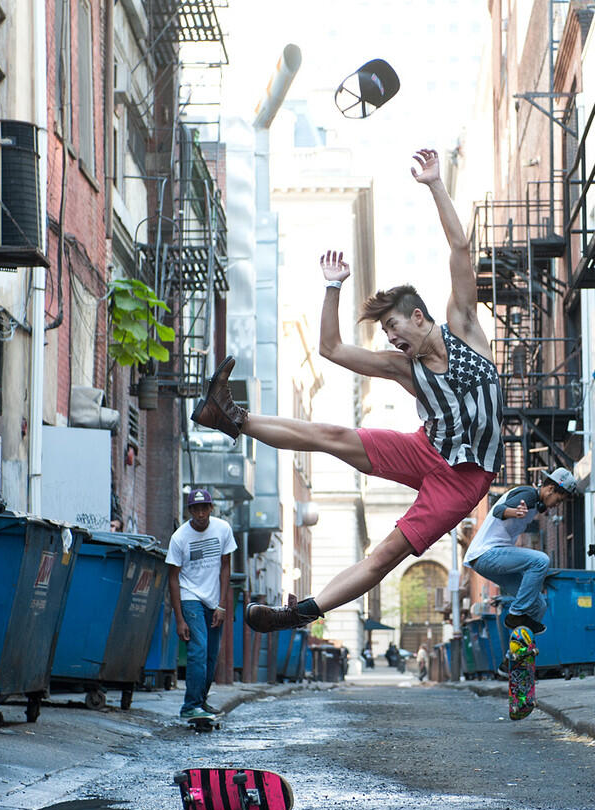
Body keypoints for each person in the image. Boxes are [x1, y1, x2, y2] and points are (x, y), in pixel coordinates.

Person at [190, 148, 504, 633]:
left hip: (463, 481)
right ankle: (230, 416)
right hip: (426, 450)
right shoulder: (405, 368)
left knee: (385, 555)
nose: (394, 340)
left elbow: (460, 250)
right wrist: (332, 287)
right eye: (389, 336)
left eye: (397, 328)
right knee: (332, 434)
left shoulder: (464, 327)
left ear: (419, 316)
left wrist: (435, 184)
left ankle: (300, 613)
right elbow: (332, 348)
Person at [463, 467, 581, 635]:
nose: (557, 505)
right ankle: (515, 614)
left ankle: (517, 656)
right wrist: (514, 512)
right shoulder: (528, 495)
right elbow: (498, 511)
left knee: (538, 605)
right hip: (486, 554)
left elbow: (540, 506)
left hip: (490, 559)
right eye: (559, 499)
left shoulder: (535, 503)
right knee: (541, 560)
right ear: (550, 489)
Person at [166, 488, 236, 721]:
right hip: (190, 596)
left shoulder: (223, 529)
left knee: (211, 655)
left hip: (214, 600)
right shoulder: (179, 538)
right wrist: (179, 618)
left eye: (204, 508)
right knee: (198, 650)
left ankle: (201, 701)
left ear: (210, 508)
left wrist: (222, 604)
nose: (200, 513)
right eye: (195, 509)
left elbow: (226, 566)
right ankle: (190, 705)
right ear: (190, 511)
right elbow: (173, 578)